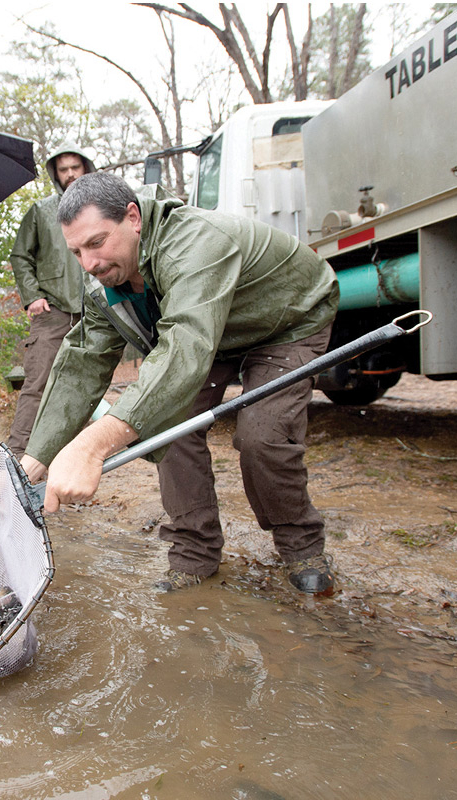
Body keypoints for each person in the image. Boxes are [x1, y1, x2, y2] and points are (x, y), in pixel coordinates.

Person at [20, 172, 339, 595]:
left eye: (97, 243)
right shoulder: (104, 281)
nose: (90, 263)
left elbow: (184, 348)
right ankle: (194, 553)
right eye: (77, 251)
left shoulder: (194, 241)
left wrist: (93, 444)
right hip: (214, 334)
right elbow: (80, 365)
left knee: (263, 436)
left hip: (287, 320)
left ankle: (302, 547)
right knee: (166, 426)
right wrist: (34, 461)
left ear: (133, 217)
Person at [6, 144, 96, 457]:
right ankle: (17, 458)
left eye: (75, 167)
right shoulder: (42, 210)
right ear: (55, 174)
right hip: (52, 312)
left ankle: (67, 460)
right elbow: (20, 255)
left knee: (81, 390)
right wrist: (32, 297)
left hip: (94, 314)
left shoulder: (100, 209)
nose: (70, 174)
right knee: (37, 386)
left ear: (86, 168)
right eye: (63, 169)